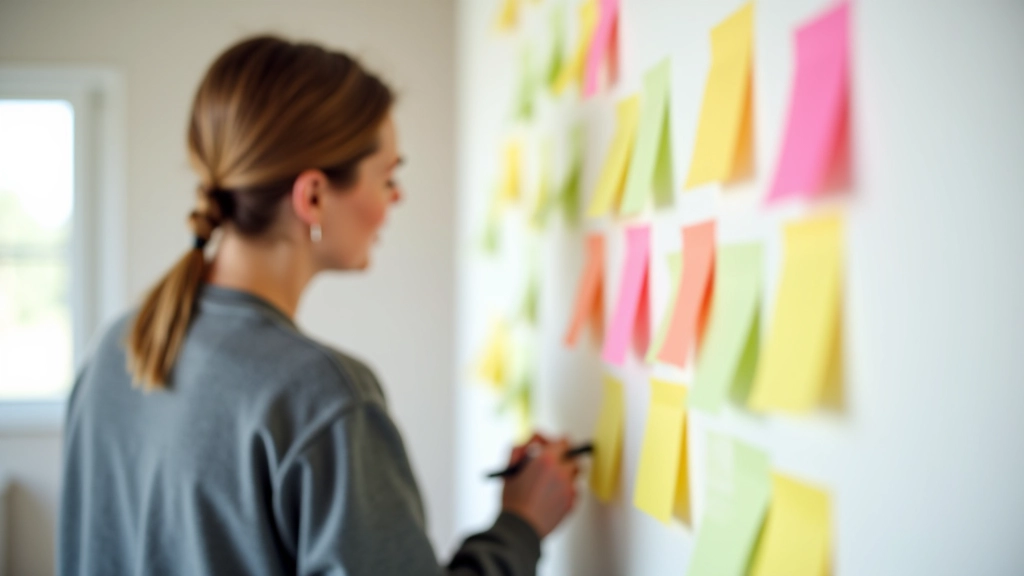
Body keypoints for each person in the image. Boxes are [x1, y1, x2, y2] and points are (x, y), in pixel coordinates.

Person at [59, 35, 580, 576]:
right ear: (311, 197)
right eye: (389, 178)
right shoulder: (321, 396)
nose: (395, 199)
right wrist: (519, 526)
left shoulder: (118, 347)